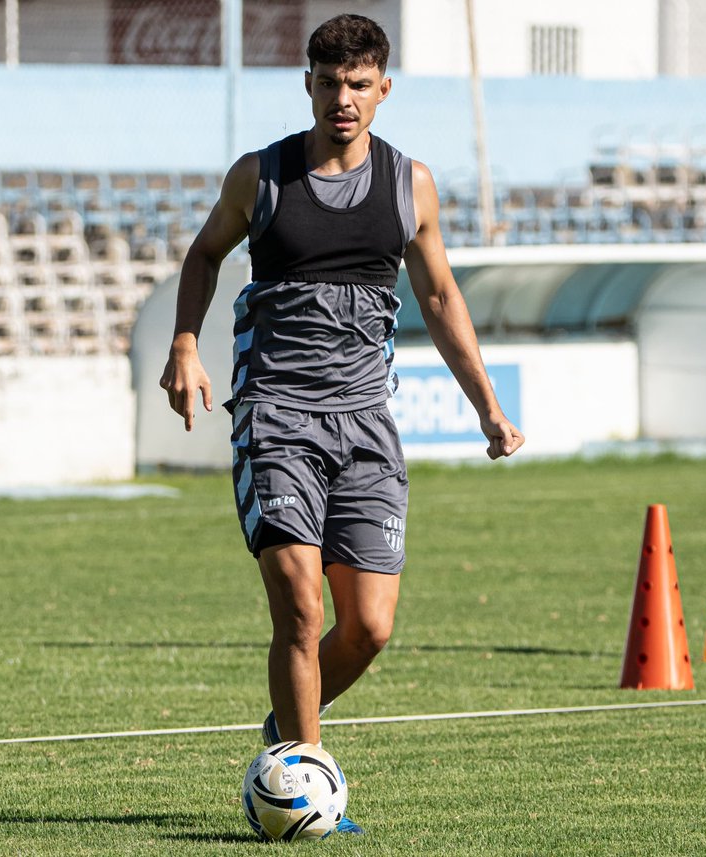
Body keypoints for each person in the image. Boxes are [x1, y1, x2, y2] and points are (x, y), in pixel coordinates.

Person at [159, 13, 523, 834]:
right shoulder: (262, 176)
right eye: (330, 84)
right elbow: (204, 255)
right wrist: (186, 341)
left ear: (383, 89)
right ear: (310, 87)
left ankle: (284, 735)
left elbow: (438, 298)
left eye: (360, 84)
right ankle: (307, 785)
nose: (344, 99)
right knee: (300, 604)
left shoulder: (410, 184)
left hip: (366, 425)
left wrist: (488, 407)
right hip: (276, 416)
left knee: (369, 627)